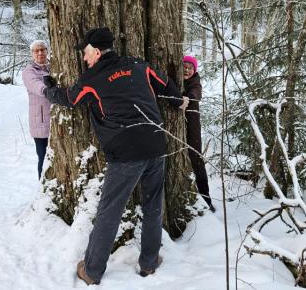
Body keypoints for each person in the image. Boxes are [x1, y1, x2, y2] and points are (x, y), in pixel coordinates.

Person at [42, 27, 189, 285]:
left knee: (111, 210)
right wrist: (179, 101)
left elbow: (69, 99)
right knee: (154, 204)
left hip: (125, 153)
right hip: (156, 144)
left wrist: (48, 91)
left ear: (97, 52)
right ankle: (149, 262)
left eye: (86, 53)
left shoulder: (92, 78)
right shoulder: (137, 65)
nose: (84, 59)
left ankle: (92, 270)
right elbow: (165, 83)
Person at [183, 55, 214, 212]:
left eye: (190, 68)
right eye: (185, 67)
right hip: (180, 126)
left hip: (192, 126)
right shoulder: (177, 79)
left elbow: (196, 93)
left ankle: (206, 198)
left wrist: (189, 97)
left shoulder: (195, 83)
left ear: (194, 71)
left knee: (196, 159)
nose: (187, 70)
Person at [22, 40, 51, 179]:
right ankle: (42, 187)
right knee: (44, 157)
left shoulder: (53, 66)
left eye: (42, 49)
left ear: (47, 51)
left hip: (55, 119)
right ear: (32, 54)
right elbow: (34, 85)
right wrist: (47, 90)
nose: (40, 53)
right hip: (40, 121)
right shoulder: (29, 71)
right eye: (36, 50)